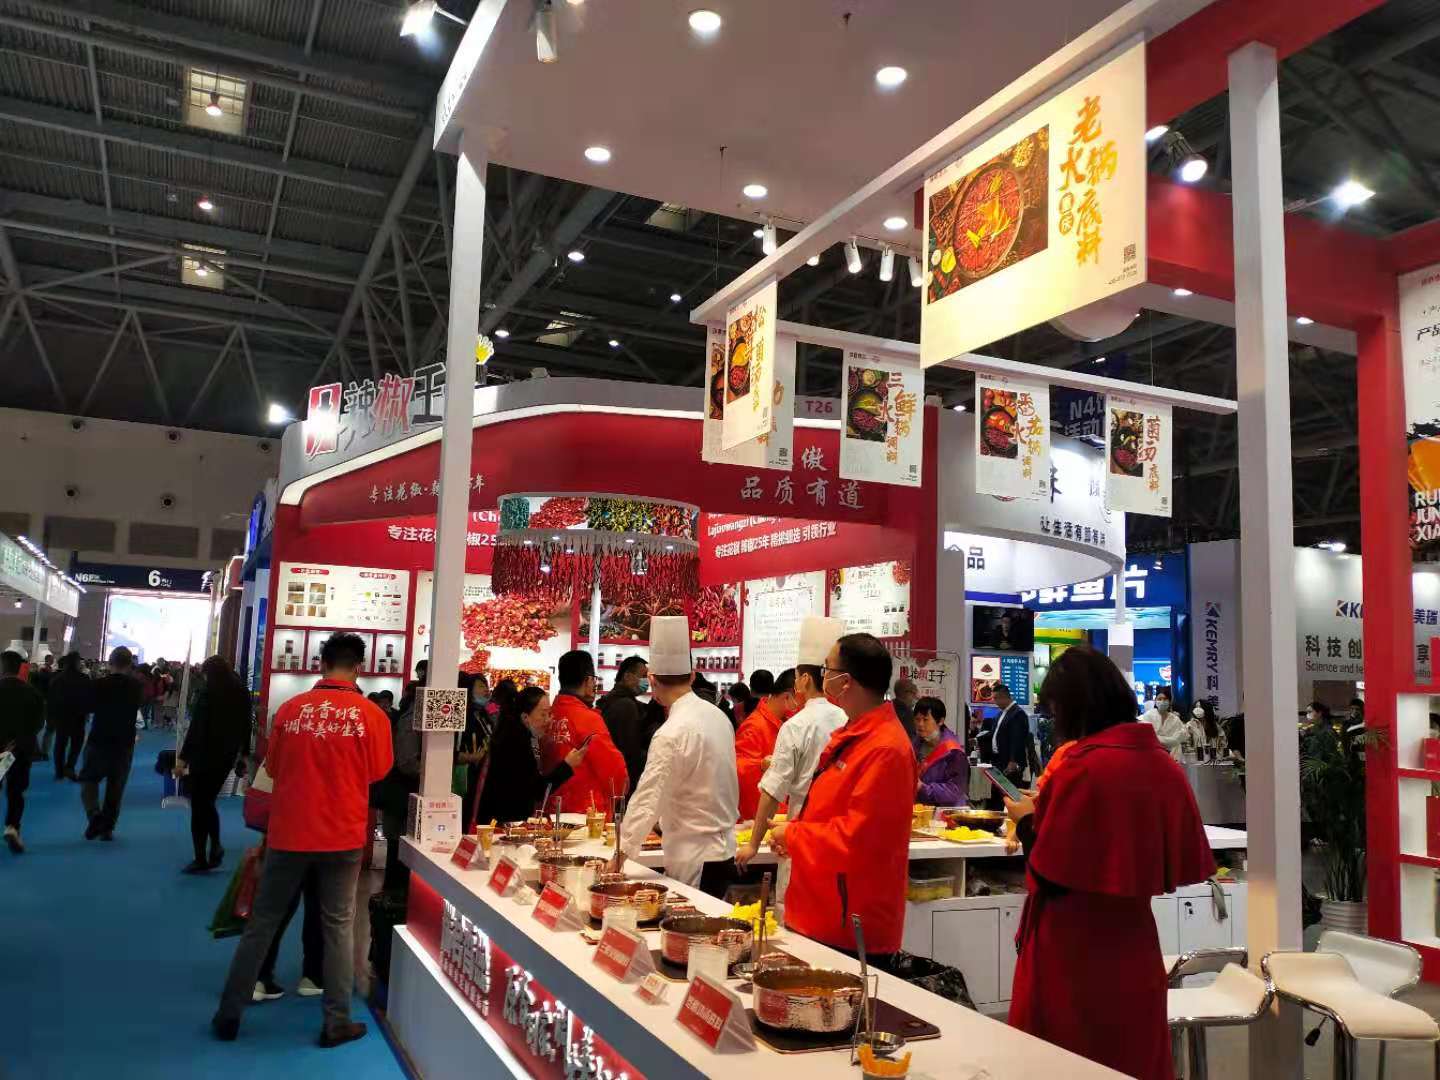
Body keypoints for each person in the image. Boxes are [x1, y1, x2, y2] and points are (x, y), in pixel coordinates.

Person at [1005, 646, 1212, 1080]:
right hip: (1134, 945)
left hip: (1070, 951)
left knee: (1062, 1061)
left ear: (1072, 706)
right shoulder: (1162, 765)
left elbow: (1052, 874)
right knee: (1131, 1056)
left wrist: (1025, 821)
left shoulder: (1083, 767)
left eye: (1055, 709)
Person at [213, 632, 393, 1047]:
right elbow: (378, 771)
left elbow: (273, 768)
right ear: (359, 667)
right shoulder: (371, 716)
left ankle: (229, 1012)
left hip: (289, 831)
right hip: (343, 834)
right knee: (338, 926)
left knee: (263, 922)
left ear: (322, 664)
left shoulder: (291, 711)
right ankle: (337, 1021)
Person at [770, 633, 915, 969]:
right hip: (823, 910)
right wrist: (794, 833)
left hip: (848, 923)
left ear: (845, 681)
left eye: (828, 669)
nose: (823, 677)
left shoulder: (885, 749)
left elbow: (858, 840)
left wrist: (794, 835)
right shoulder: (856, 734)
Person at [615, 616, 738, 894]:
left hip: (694, 857)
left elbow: (649, 798)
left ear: (651, 680)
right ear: (692, 676)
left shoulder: (671, 732)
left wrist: (620, 855)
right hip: (723, 851)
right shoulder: (718, 717)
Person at [735, 617, 846, 914]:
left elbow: (772, 791)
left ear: (805, 679)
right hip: (838, 840)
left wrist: (753, 844)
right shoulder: (848, 720)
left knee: (798, 917)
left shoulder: (797, 725)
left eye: (797, 677)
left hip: (801, 837)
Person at [175, 656, 251, 873]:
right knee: (207, 802)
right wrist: (244, 754)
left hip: (204, 755)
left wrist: (182, 758)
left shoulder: (208, 693)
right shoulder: (241, 691)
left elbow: (197, 728)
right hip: (226, 756)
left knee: (200, 805)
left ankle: (202, 856)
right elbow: (247, 725)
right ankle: (215, 847)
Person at [476, 687, 586, 824]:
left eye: (549, 713)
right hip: (502, 824)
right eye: (543, 714)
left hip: (502, 820)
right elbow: (537, 790)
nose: (548, 720)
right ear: (525, 717)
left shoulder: (515, 734)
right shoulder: (515, 743)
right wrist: (567, 765)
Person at [538, 651, 627, 818]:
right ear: (588, 680)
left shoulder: (547, 715)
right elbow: (615, 772)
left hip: (548, 810)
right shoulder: (588, 719)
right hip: (585, 814)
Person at [79, 646, 144, 841]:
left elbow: (88, 707)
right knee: (116, 786)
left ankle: (94, 814)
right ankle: (108, 828)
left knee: (89, 779)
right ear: (130, 664)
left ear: (110, 662)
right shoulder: (136, 687)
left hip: (99, 738)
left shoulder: (98, 684)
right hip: (124, 741)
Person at [734, 668, 796, 821]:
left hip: (779, 811)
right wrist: (761, 765)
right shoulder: (754, 725)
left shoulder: (786, 721)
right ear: (787, 697)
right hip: (758, 815)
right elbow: (739, 768)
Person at [0, 650, 45, 853]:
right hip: (20, 748)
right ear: (20, 668)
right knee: (16, 791)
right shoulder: (32, 692)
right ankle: (12, 827)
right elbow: (39, 723)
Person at [597, 655, 651, 796]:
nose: (646, 681)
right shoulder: (626, 706)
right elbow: (630, 751)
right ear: (627, 676)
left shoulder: (611, 700)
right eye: (643, 676)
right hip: (623, 782)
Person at [913, 697, 968, 806]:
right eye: (917, 719)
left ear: (941, 721)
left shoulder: (954, 752)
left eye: (925, 720)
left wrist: (922, 788)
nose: (920, 724)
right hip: (921, 808)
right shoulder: (916, 743)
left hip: (945, 811)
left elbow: (954, 791)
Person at [47, 652, 93, 781]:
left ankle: (59, 771)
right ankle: (70, 767)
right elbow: (89, 698)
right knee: (76, 744)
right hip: (79, 717)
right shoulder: (84, 678)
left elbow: (51, 699)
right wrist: (87, 712)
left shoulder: (57, 679)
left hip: (61, 717)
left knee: (60, 744)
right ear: (77, 663)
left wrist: (51, 717)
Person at [988, 684, 1030, 805]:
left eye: (995, 698)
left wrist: (1013, 761)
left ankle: (1011, 816)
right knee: (998, 796)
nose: (994, 701)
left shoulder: (1018, 714)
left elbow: (1017, 739)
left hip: (1010, 764)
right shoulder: (1001, 714)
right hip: (998, 761)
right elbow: (996, 734)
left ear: (1004, 697)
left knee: (1010, 797)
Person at [1143, 687, 1185, 759]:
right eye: (1159, 699)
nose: (1162, 701)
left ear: (1169, 701)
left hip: (1170, 756)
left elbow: (1177, 740)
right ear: (1155, 701)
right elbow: (1147, 737)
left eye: (1165, 699)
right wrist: (1169, 740)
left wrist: (1157, 738)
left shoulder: (1175, 719)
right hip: (1150, 755)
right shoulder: (1148, 715)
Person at [891, 677, 919, 742]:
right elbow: (910, 741)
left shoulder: (887, 707)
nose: (915, 697)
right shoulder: (908, 715)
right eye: (914, 693)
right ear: (907, 693)